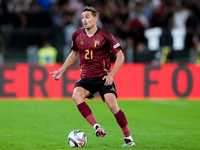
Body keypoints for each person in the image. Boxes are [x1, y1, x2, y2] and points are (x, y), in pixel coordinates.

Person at [50, 6, 136, 147]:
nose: (84, 20)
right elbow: (73, 55)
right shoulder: (77, 35)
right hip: (86, 77)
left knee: (113, 106)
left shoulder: (105, 35)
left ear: (96, 19)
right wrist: (61, 70)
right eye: (83, 17)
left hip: (103, 77)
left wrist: (111, 75)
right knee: (76, 95)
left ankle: (129, 139)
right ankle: (97, 127)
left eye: (88, 17)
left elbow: (120, 56)